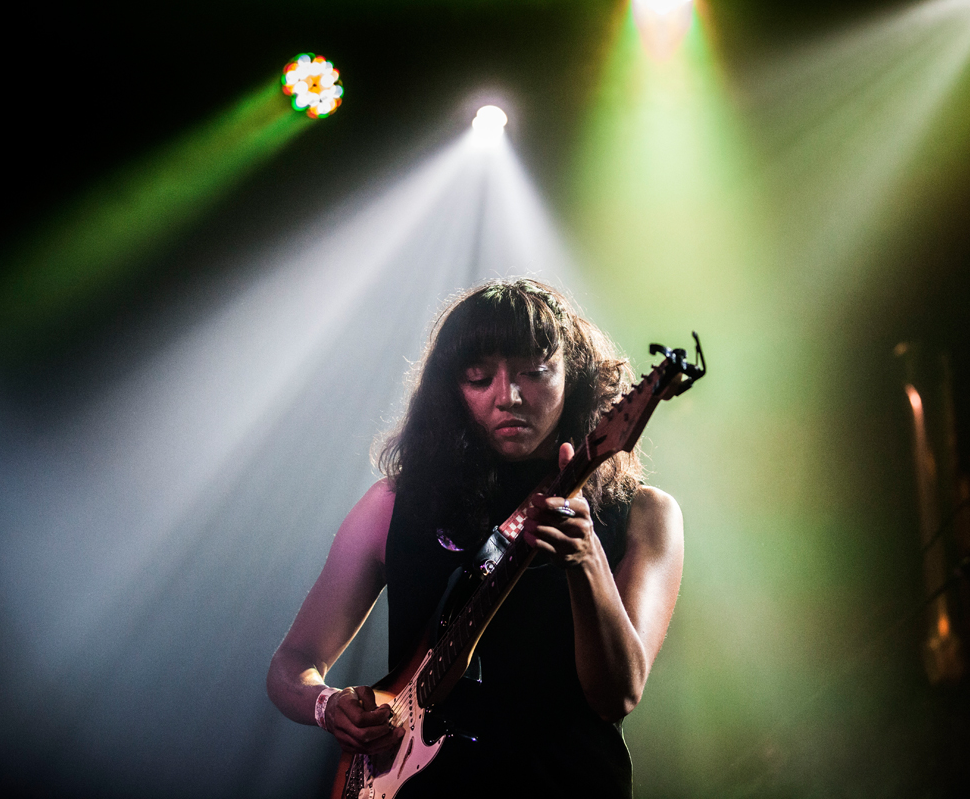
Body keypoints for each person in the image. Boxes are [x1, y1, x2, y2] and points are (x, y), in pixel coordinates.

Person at [266, 278, 684, 798]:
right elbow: (291, 663)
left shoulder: (645, 514)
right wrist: (326, 705)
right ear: (451, 390)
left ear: (573, 375)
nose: (507, 396)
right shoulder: (392, 506)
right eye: (479, 377)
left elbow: (617, 697)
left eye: (534, 373)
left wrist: (587, 562)